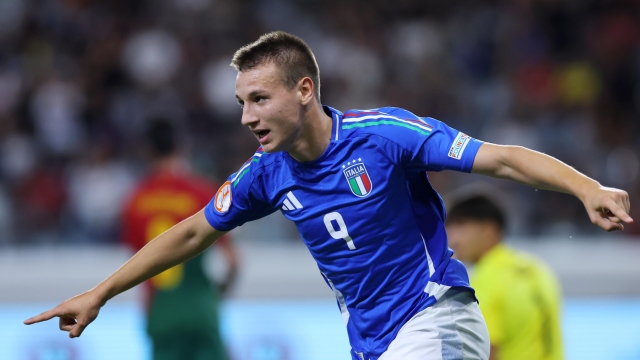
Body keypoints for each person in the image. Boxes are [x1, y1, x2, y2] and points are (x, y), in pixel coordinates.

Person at [25, 31, 632, 360]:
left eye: (259, 99)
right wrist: (102, 292)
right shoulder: (265, 173)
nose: (246, 117)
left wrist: (586, 187)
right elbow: (190, 232)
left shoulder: (385, 136)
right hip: (369, 342)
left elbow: (497, 157)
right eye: (241, 103)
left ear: (305, 89)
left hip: (433, 320)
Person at [121, 119, 238, 360]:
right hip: (200, 305)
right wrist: (216, 297)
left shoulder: (135, 200)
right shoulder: (202, 192)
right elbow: (232, 261)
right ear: (181, 147)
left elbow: (135, 267)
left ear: (148, 151)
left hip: (161, 310)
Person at [446, 194, 563, 360]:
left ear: (489, 230)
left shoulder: (487, 279)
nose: (452, 237)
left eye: (461, 225)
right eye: (449, 227)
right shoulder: (538, 270)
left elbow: (486, 351)